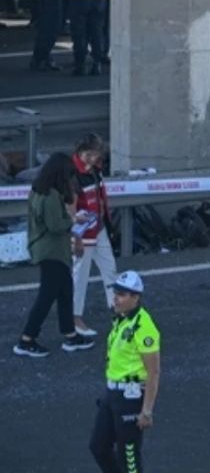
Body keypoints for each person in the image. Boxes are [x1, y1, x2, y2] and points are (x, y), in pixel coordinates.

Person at [13, 152, 96, 357]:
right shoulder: (50, 195)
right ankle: (27, 339)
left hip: (46, 249)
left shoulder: (37, 190)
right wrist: (75, 219)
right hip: (52, 250)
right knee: (47, 295)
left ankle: (70, 335)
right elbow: (55, 225)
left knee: (65, 291)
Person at [89, 271, 161, 472]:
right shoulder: (121, 319)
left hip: (130, 396)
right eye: (116, 293)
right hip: (113, 393)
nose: (116, 298)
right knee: (99, 447)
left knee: (128, 456)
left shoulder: (144, 328)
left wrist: (146, 411)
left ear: (136, 297)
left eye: (122, 294)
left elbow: (153, 372)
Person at [71, 134, 116, 337]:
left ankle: (118, 311)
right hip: (83, 234)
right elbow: (69, 208)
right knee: (80, 277)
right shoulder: (72, 174)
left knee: (110, 269)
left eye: (95, 155)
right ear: (80, 152)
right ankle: (74, 318)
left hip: (98, 229)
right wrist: (75, 237)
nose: (92, 158)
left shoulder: (95, 170)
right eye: (88, 154)